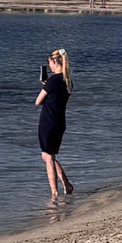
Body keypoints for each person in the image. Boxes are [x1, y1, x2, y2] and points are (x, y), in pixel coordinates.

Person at [35, 48, 74, 203]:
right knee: (46, 155)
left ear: (54, 62)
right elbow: (58, 96)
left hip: (48, 121)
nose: (49, 66)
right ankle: (67, 184)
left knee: (48, 156)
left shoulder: (53, 80)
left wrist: (45, 86)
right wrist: (48, 86)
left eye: (49, 63)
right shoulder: (67, 80)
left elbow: (38, 101)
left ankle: (54, 194)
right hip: (59, 121)